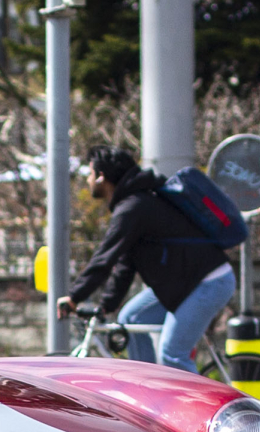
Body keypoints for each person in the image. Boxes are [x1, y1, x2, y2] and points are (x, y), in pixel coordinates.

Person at [55, 146, 237, 372]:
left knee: (173, 354)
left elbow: (105, 258)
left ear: (102, 177)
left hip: (208, 282)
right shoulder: (134, 205)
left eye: (90, 174)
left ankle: (197, 407)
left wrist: (74, 297)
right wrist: (105, 306)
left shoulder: (133, 208)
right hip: (186, 281)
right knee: (131, 318)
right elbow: (125, 265)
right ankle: (148, 383)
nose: (88, 180)